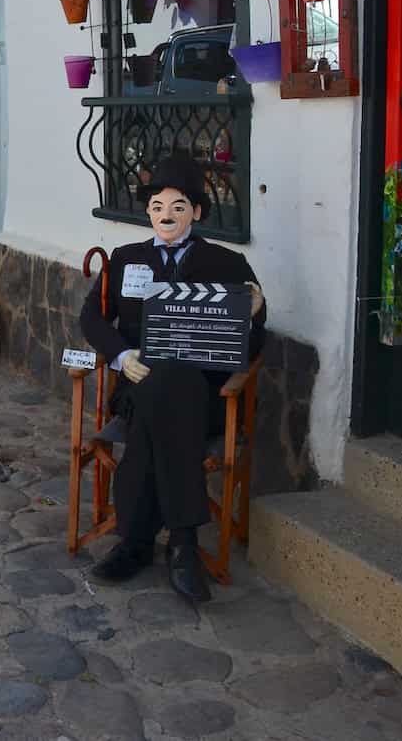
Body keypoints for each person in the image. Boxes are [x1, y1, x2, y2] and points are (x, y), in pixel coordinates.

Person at [79, 153, 265, 604]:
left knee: (167, 392)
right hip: (138, 389)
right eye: (159, 205)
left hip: (203, 396)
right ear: (148, 211)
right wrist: (122, 356)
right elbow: (91, 318)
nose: (167, 214)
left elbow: (253, 340)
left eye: (179, 206)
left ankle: (137, 542)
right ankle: (182, 544)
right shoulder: (125, 260)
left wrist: (256, 311)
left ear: (197, 213)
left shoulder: (228, 264)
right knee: (158, 392)